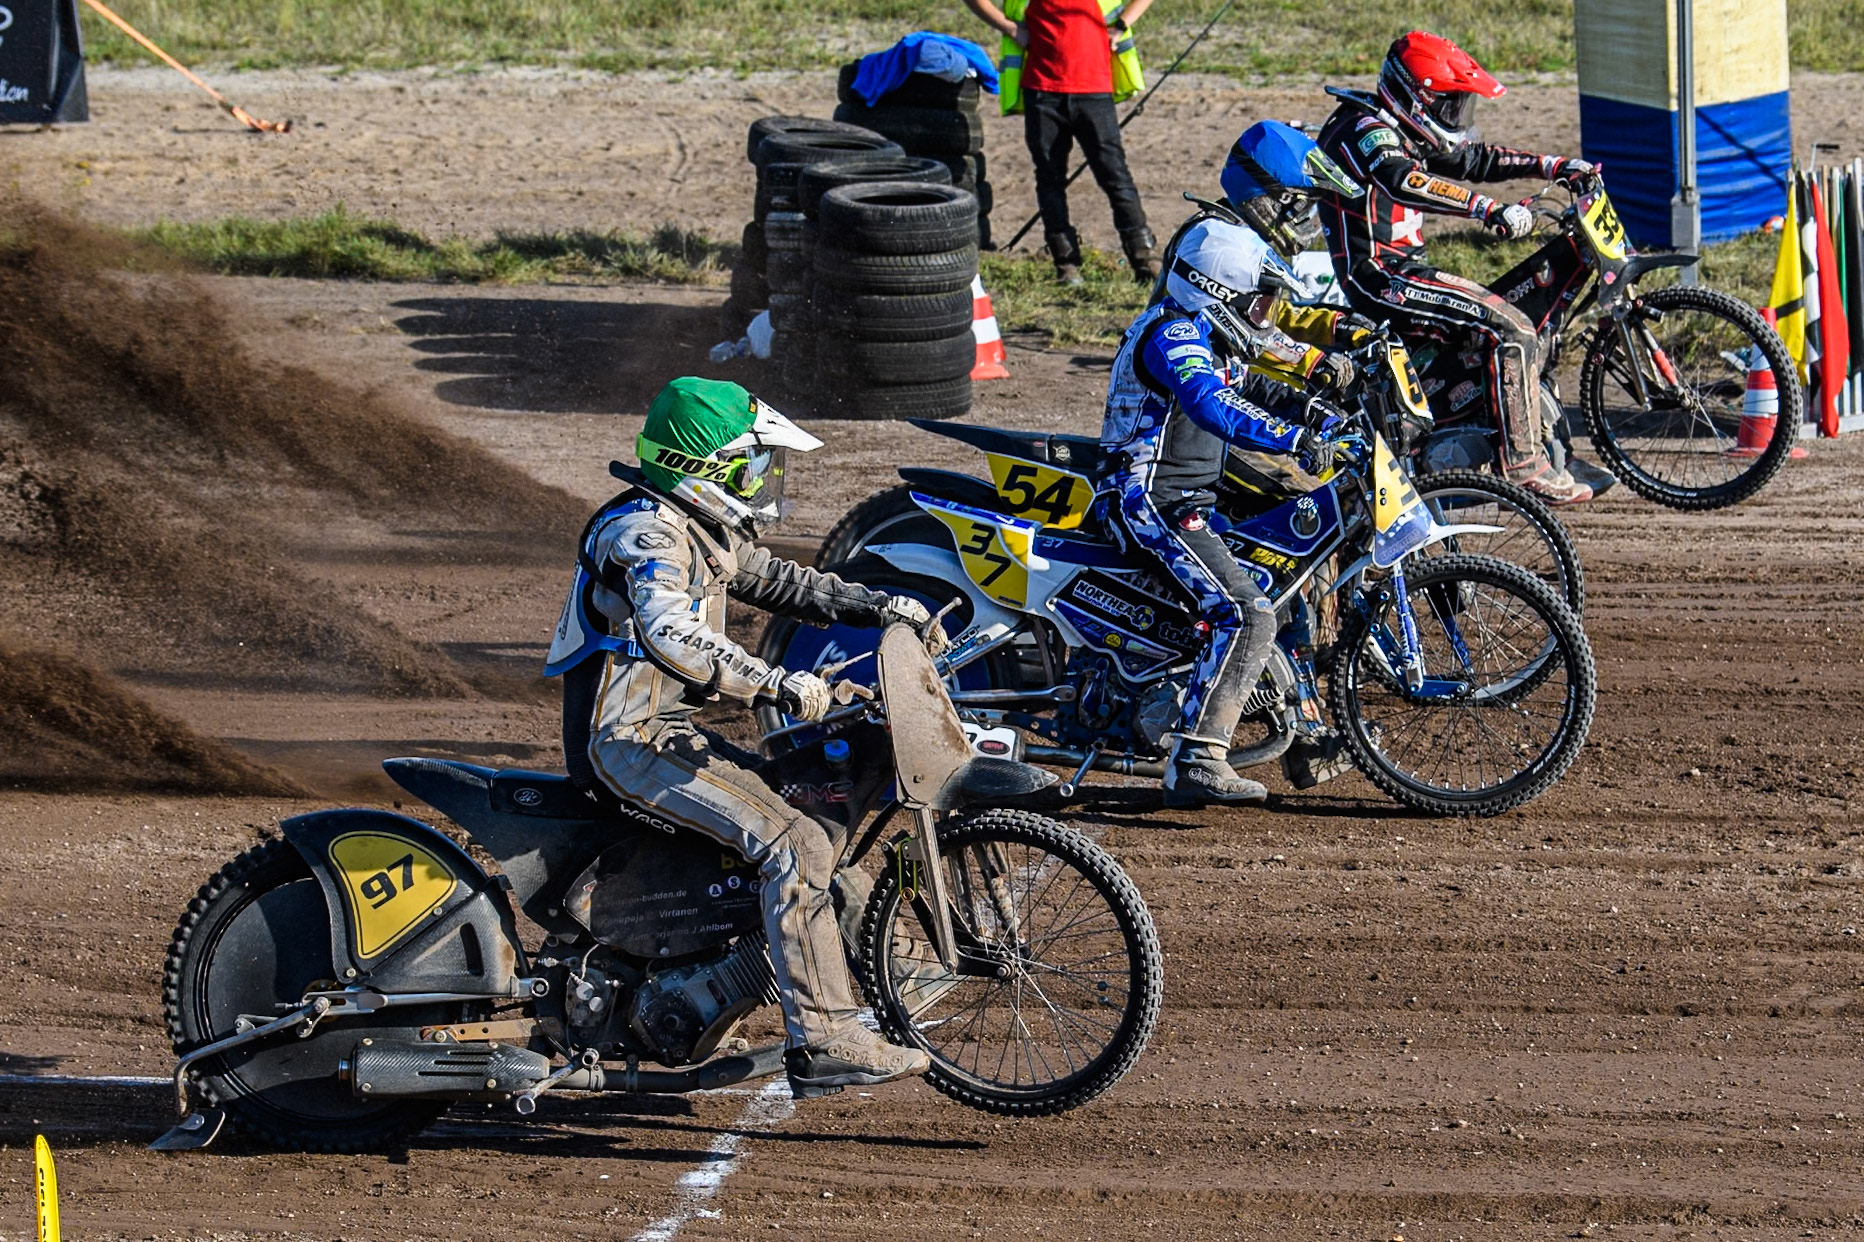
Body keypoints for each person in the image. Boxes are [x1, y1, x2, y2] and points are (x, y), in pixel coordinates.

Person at [543, 376, 944, 1097]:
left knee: (815, 813)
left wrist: (882, 604)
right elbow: (671, 631)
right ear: (705, 470)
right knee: (794, 843)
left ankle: (876, 970)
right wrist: (775, 681)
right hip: (628, 743)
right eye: (751, 464)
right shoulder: (646, 533)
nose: (763, 480)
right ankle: (824, 1036)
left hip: (668, 734)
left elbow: (787, 583)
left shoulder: (699, 529)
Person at [1100, 199, 1356, 807]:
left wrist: (1315, 407)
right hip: (1150, 500)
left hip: (1188, 499)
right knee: (1249, 614)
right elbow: (1211, 404)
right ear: (1216, 292)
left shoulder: (1205, 338)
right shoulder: (1173, 334)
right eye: (1260, 301)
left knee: (1278, 572)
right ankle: (1198, 757)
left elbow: (1252, 385)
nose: (1266, 315)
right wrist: (1297, 441)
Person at [1314, 31, 1609, 504]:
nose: (1456, 117)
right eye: (1451, 104)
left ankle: (1555, 449)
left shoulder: (1400, 125)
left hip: (1407, 270)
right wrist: (1486, 210)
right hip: (1381, 280)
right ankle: (1523, 465)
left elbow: (1473, 158)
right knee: (1512, 329)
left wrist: (1555, 166)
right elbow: (1404, 181)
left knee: (1537, 315)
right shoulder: (1364, 130)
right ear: (1417, 96)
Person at [964, 0, 1159, 285]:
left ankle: (1144, 259)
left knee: (1115, 176)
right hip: (1042, 92)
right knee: (1050, 179)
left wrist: (1120, 26)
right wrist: (1009, 27)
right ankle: (1065, 264)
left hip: (1094, 89)